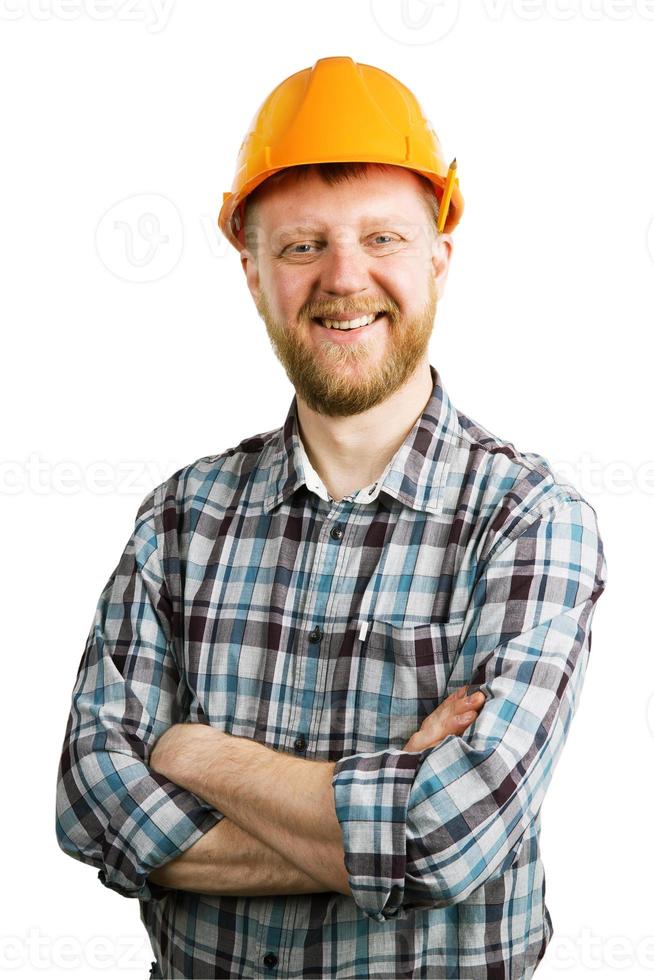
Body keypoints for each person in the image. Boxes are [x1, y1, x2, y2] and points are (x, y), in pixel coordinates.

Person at [55, 56, 607, 980]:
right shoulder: (180, 520)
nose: (345, 278)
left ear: (439, 256)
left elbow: (450, 839)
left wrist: (191, 751)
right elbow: (86, 805)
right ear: (254, 274)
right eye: (303, 246)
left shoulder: (531, 522)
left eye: (383, 237)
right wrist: (384, 806)